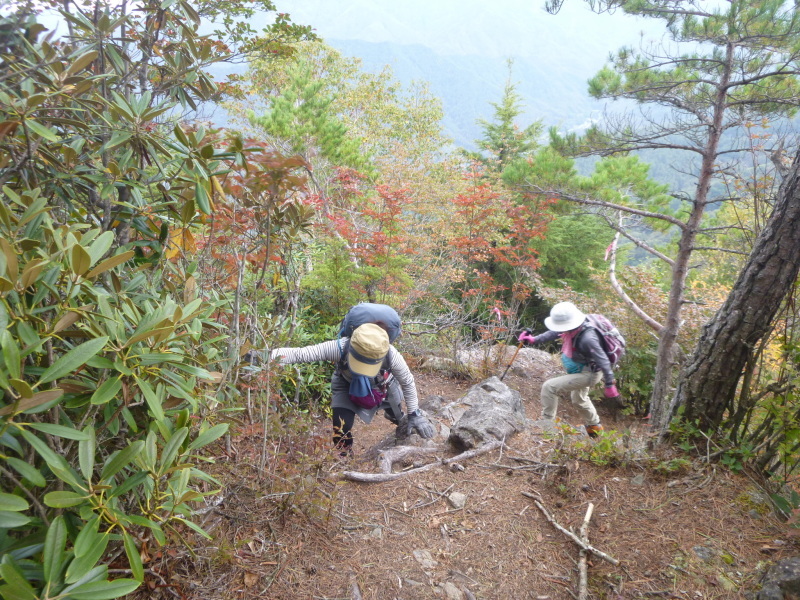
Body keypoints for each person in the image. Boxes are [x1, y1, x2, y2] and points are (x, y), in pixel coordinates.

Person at [270, 323, 436, 455]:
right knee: (341, 426)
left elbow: (407, 382)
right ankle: (344, 456)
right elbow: (300, 354)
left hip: (383, 386)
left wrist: (414, 414)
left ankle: (396, 418)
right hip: (346, 384)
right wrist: (266, 355)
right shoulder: (339, 348)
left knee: (397, 414)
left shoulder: (392, 355)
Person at [518, 301, 620, 438]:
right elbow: (555, 332)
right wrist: (534, 339)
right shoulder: (575, 326)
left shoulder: (588, 339)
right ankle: (595, 427)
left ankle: (547, 426)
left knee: (549, 387)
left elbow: (603, 360)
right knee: (579, 399)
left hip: (589, 373)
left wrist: (609, 384)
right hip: (582, 368)